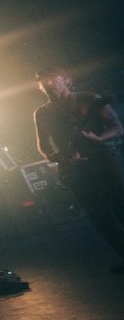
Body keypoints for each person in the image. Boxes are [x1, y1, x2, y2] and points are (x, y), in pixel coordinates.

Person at [33, 67, 124, 272]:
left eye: (53, 79)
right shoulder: (42, 113)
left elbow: (117, 127)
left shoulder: (88, 99)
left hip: (103, 160)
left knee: (121, 203)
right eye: (44, 82)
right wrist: (61, 158)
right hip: (76, 169)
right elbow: (44, 146)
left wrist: (99, 138)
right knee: (98, 215)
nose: (49, 84)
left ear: (67, 80)